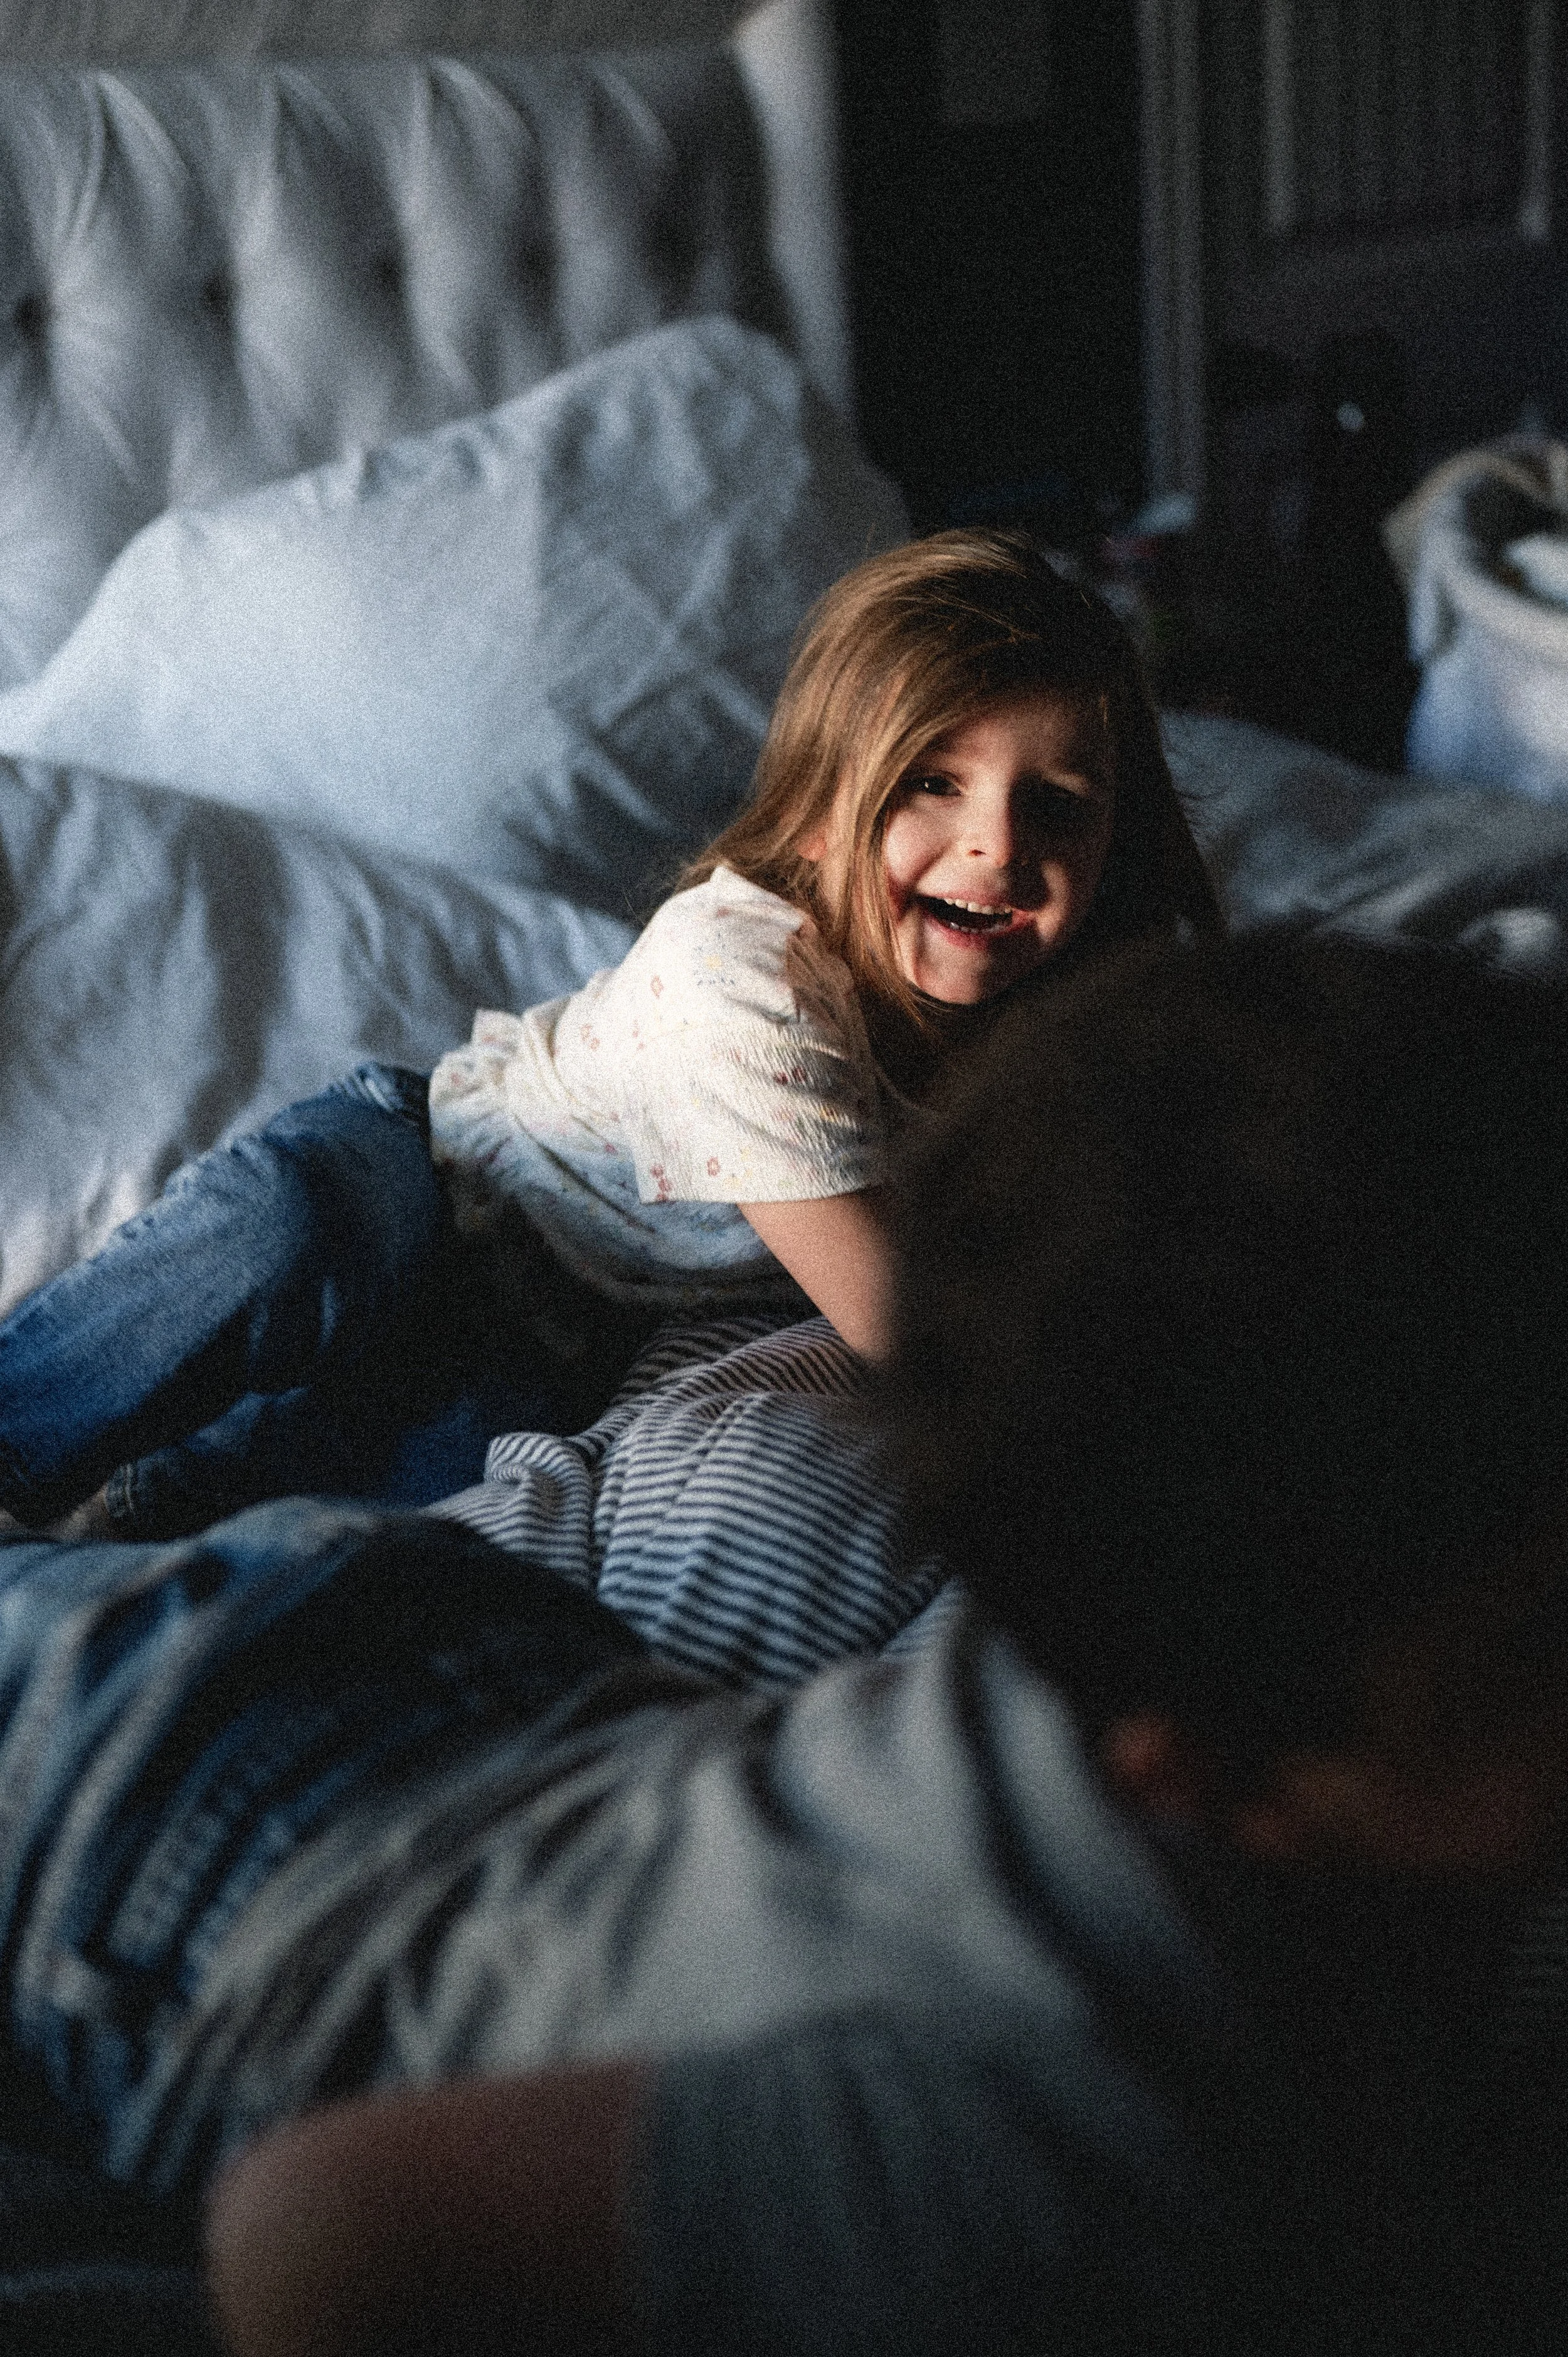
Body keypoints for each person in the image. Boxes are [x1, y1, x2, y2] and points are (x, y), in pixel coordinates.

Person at [0, 929, 1565, 2356]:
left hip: (485, 1685)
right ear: (1204, 1775)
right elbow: (314, 2231)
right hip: (191, 1844)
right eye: (1523, 1663)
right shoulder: (1065, 2145)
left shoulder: (1212, 1538)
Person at [0, 529, 1219, 1541]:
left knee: (302, 1511)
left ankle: (104, 1531)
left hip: (573, 1332)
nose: (999, 847)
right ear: (808, 817)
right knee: (277, 1235)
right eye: (928, 784)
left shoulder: (1057, 1005)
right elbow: (895, 1322)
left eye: (1055, 805)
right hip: (449, 1185)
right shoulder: (739, 981)